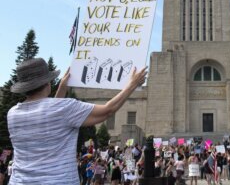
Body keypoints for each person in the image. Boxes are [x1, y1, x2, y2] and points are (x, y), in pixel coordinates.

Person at [7, 57, 147, 184]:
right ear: (48, 83)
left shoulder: (12, 114)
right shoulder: (64, 107)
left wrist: (62, 88)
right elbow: (107, 110)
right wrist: (132, 85)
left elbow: (48, 116)